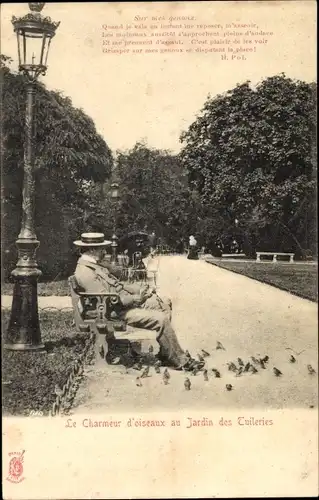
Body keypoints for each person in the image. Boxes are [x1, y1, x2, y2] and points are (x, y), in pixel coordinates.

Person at [73, 233, 202, 371]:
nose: (105, 251)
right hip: (114, 312)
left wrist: (140, 290)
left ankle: (167, 353)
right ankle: (180, 360)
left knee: (164, 302)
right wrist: (136, 299)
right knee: (161, 319)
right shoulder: (85, 272)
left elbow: (118, 285)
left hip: (119, 305)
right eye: (102, 249)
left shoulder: (95, 266)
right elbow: (107, 300)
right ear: (92, 250)